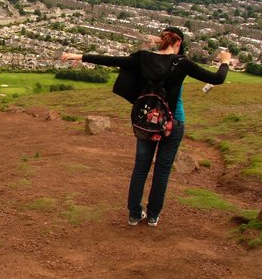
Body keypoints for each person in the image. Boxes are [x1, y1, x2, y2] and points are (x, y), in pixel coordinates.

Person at [61, 27, 231, 227]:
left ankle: (134, 214)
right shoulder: (182, 63)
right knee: (162, 170)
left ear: (162, 41)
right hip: (173, 122)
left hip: (146, 121)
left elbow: (114, 60)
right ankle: (152, 216)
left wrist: (78, 55)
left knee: (140, 169)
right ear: (178, 44)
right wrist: (225, 61)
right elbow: (217, 79)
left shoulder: (144, 58)